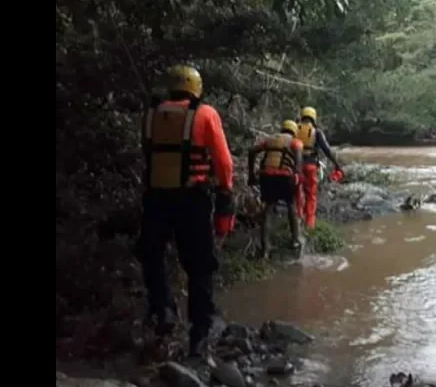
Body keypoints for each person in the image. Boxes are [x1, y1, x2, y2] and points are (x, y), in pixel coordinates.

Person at [137, 64, 235, 356]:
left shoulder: (151, 114)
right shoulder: (205, 114)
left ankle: (163, 308)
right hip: (192, 199)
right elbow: (224, 163)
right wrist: (226, 192)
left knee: (150, 252)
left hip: (156, 198)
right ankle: (200, 333)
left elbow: (148, 153)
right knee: (200, 265)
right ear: (196, 87)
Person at [248, 120, 304, 259]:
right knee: (291, 206)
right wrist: (297, 178)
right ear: (294, 131)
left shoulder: (269, 140)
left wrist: (251, 173)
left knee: (268, 209)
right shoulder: (295, 142)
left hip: (266, 177)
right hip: (284, 177)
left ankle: (266, 248)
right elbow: (298, 164)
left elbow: (252, 151)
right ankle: (295, 241)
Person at [295, 106, 342, 229]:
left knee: (298, 194)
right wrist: (337, 165)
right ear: (313, 118)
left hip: (296, 167)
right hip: (310, 166)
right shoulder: (317, 132)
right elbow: (327, 150)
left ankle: (298, 222)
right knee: (311, 196)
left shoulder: (295, 129)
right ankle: (310, 225)